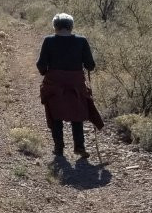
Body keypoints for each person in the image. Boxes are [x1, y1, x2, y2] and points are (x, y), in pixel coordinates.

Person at [36, 13, 103, 158]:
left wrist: (46, 73)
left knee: (55, 114)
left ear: (55, 26)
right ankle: (79, 147)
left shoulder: (48, 41)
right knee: (77, 113)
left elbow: (41, 64)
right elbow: (90, 65)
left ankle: (58, 148)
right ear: (71, 26)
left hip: (54, 82)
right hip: (76, 83)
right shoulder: (81, 41)